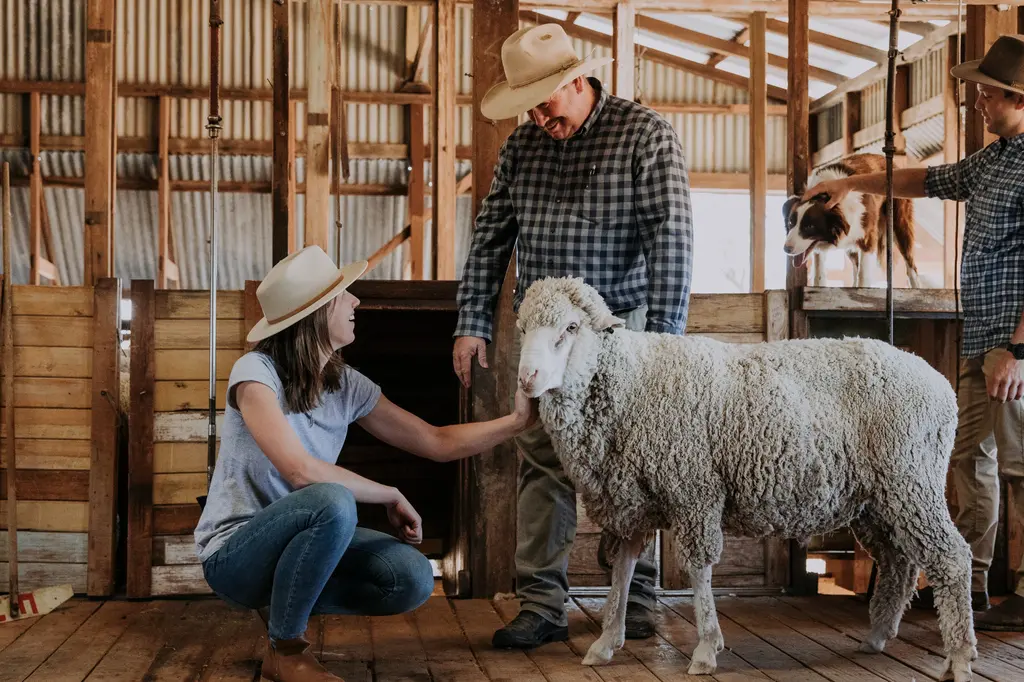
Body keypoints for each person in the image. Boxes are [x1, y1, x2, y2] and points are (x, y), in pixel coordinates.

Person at [452, 23, 694, 649]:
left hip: (622, 332)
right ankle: (541, 604)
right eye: (527, 105)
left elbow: (670, 239)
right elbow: (490, 237)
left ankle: (636, 597)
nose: (537, 115)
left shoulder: (645, 135)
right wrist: (473, 322)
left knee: (638, 463)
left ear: (577, 79)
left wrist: (665, 339)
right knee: (541, 459)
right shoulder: (522, 148)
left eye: (546, 100)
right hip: (542, 333)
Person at [194, 245, 538, 682]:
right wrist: (389, 492)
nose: (356, 302)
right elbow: (300, 470)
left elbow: (435, 441)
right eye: (344, 295)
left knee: (411, 577)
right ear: (317, 313)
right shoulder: (255, 373)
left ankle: (286, 602)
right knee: (332, 501)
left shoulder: (346, 384)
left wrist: (517, 421)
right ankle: (286, 649)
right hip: (235, 556)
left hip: (299, 543)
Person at [802, 34, 1024, 631]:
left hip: (1014, 345)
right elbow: (930, 181)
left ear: (1018, 98)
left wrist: (1019, 349)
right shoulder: (996, 158)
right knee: (967, 461)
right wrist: (852, 185)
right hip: (982, 338)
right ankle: (967, 578)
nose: (976, 99)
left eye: (987, 92)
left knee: (1019, 466)